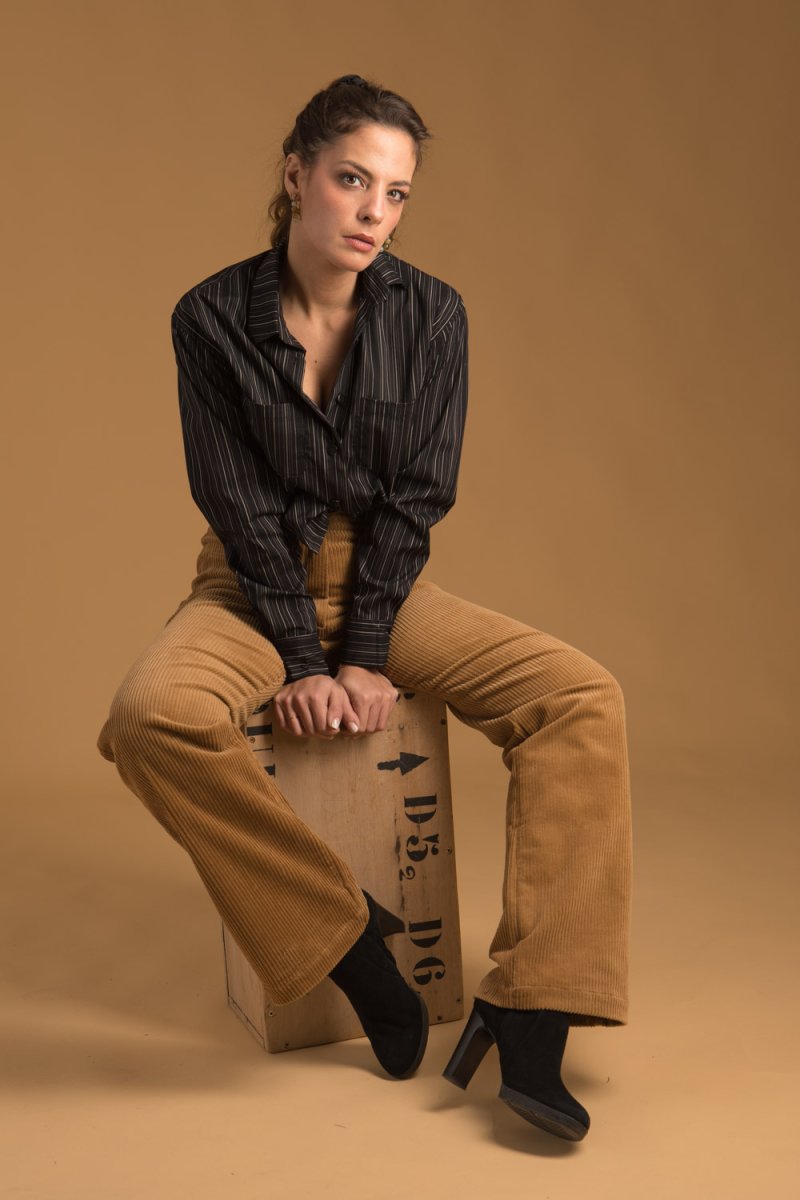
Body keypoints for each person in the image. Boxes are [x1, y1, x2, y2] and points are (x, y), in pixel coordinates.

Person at [96, 73, 632, 1143]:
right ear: (297, 175)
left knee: (580, 697)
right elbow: (236, 501)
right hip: (251, 583)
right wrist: (302, 658)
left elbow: (417, 496)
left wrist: (364, 648)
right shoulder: (210, 316)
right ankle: (344, 936)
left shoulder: (432, 314)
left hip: (384, 577)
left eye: (395, 194)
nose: (373, 212)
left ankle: (534, 1006)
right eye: (352, 180)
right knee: (149, 719)